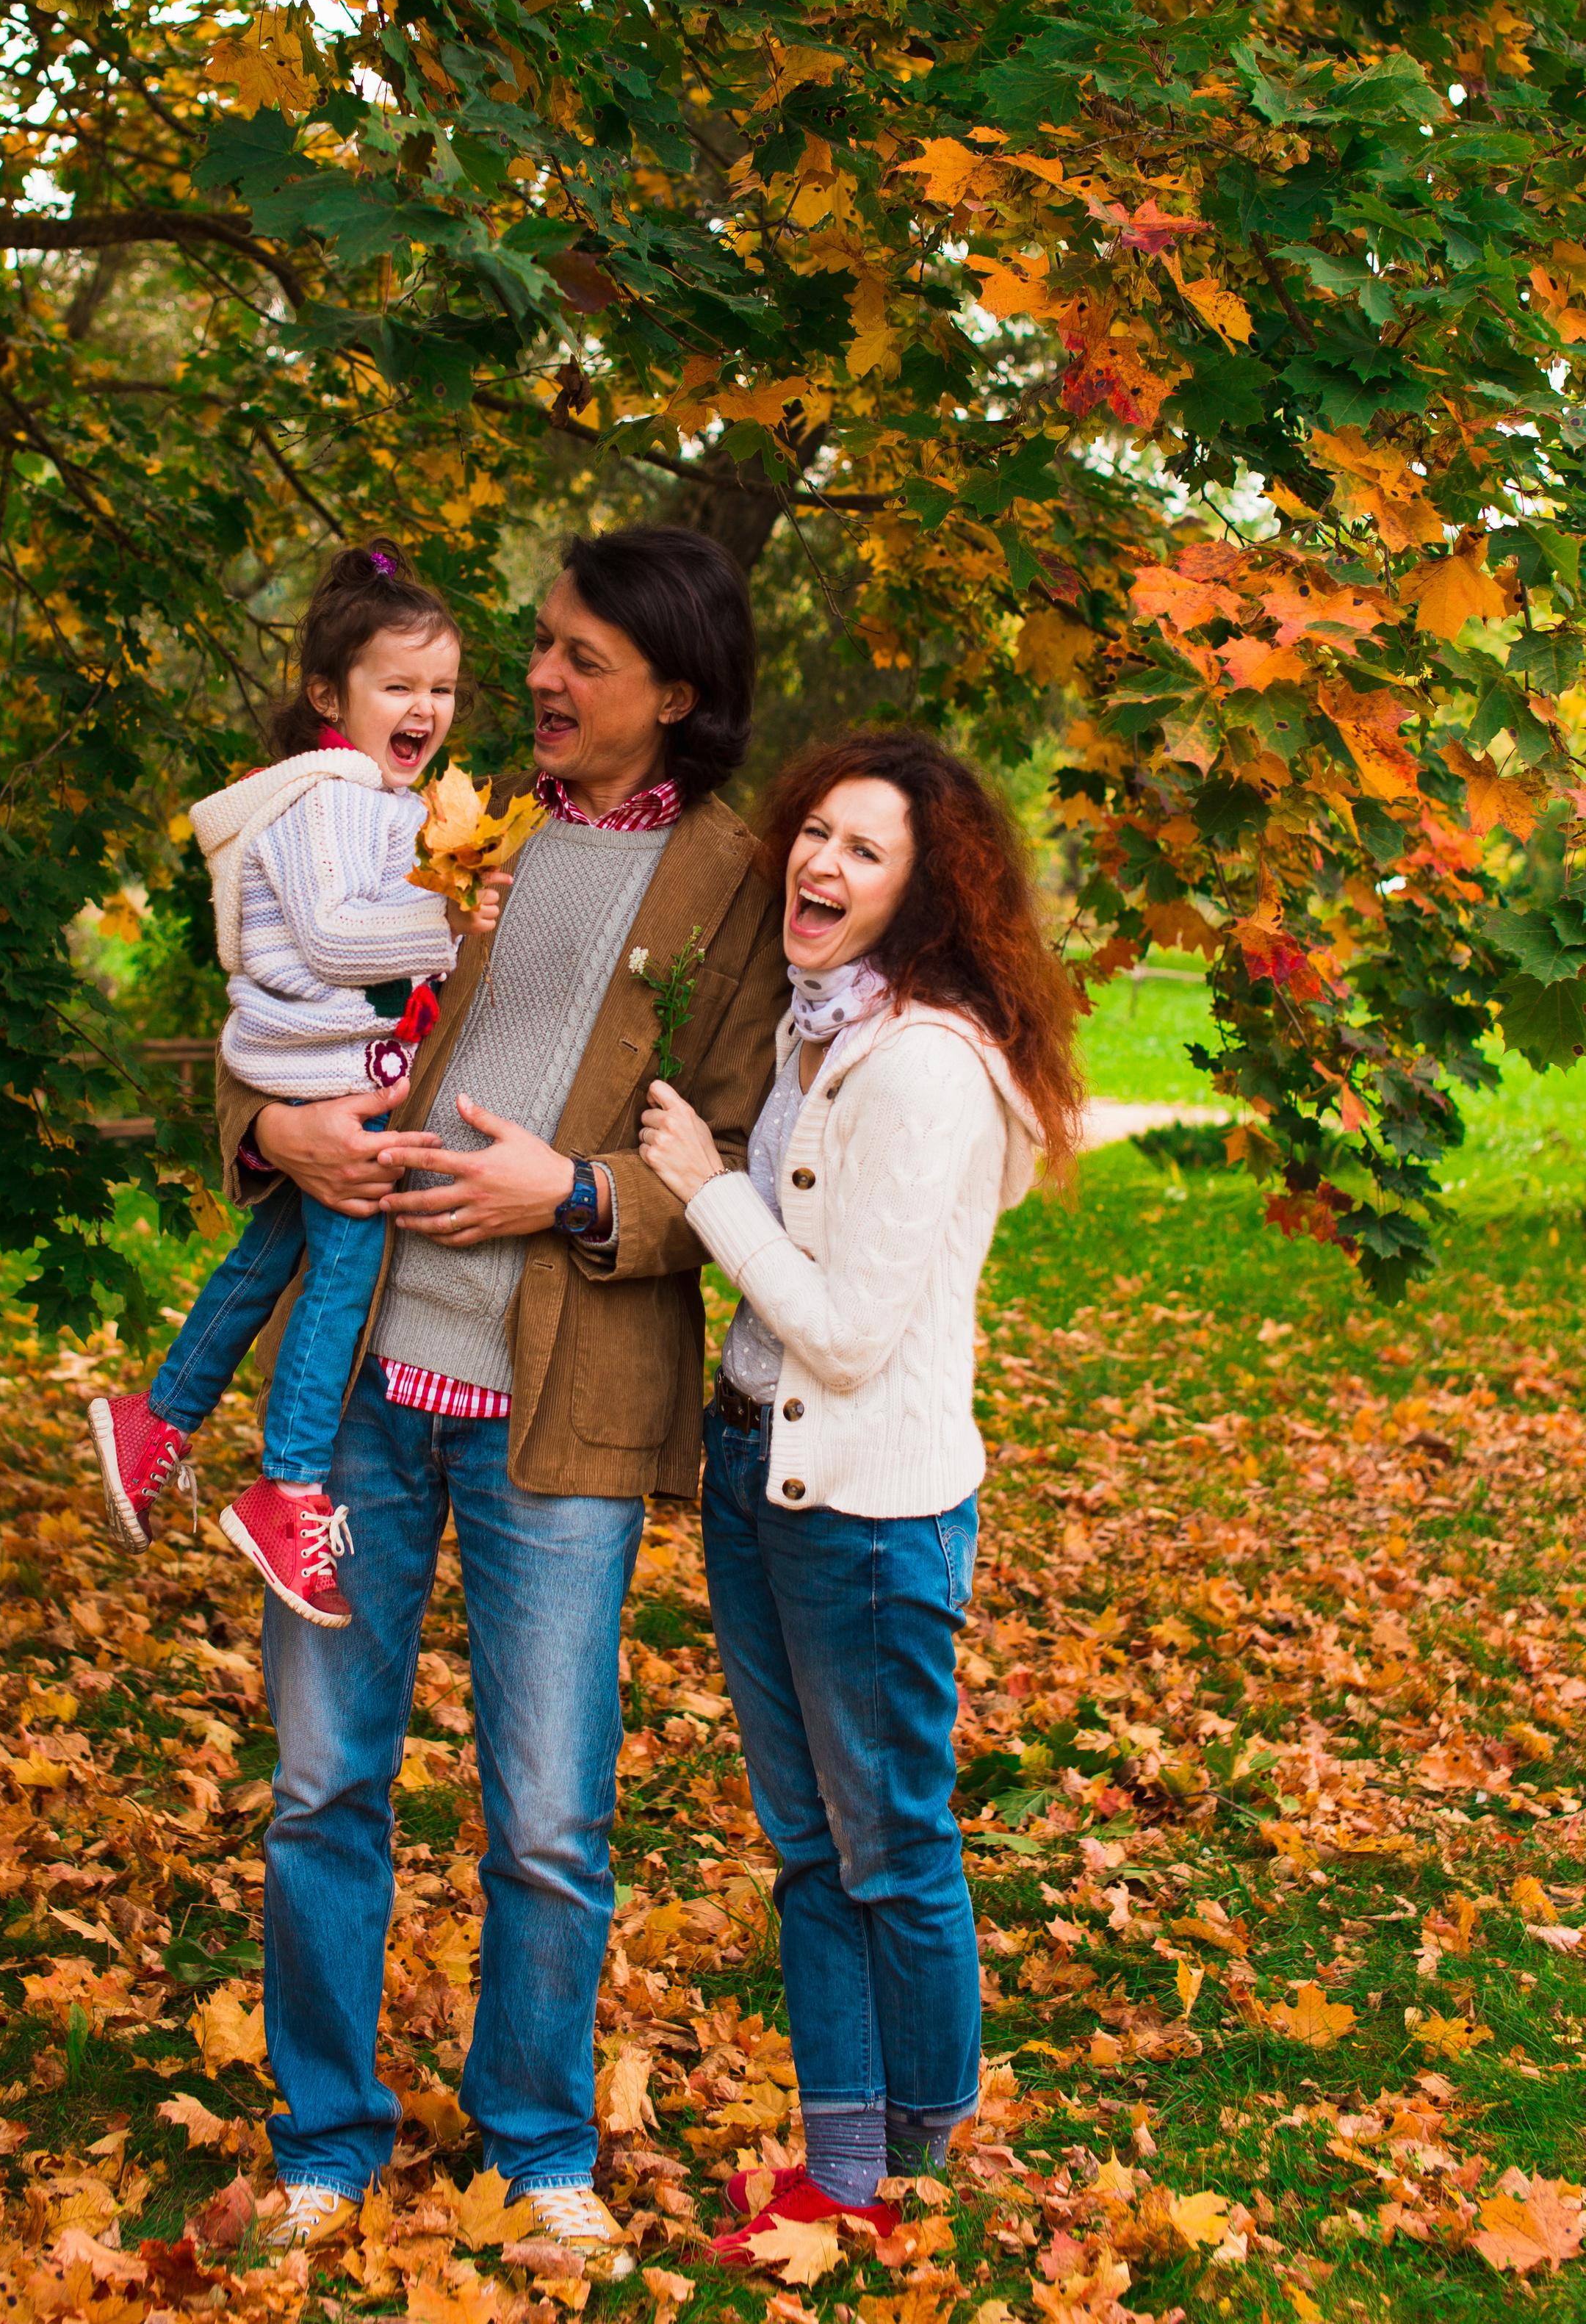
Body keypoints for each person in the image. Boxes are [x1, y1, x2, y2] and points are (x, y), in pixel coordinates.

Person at [213, 524, 790, 2263]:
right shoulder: (434, 820)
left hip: (560, 1408)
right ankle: (324, 2139)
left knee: (546, 1818)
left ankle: (537, 2144)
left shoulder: (733, 880)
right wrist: (274, 1129)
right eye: (536, 643)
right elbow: (273, 1012)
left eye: (577, 657)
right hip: (357, 1390)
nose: (535, 677)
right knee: (322, 1786)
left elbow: (743, 1157)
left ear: (670, 694)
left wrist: (578, 1195)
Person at [637, 731, 1083, 2257]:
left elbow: (842, 1334)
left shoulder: (924, 1067)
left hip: (867, 1516)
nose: (821, 865)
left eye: (865, 850)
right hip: (757, 1473)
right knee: (808, 1848)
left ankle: (922, 2162)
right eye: (815, 833)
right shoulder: (818, 1026)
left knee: (890, 1846)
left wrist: (703, 1187)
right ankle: (841, 2169)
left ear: (922, 892)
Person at [86, 542, 507, 1626]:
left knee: (269, 1253)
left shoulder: (378, 796)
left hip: (322, 1066)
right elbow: (331, 936)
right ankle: (289, 1485)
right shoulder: (330, 795)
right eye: (399, 687)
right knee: (345, 1268)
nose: (426, 710)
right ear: (330, 696)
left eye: (443, 689)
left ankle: (157, 1419)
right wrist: (449, 918)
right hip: (317, 1069)